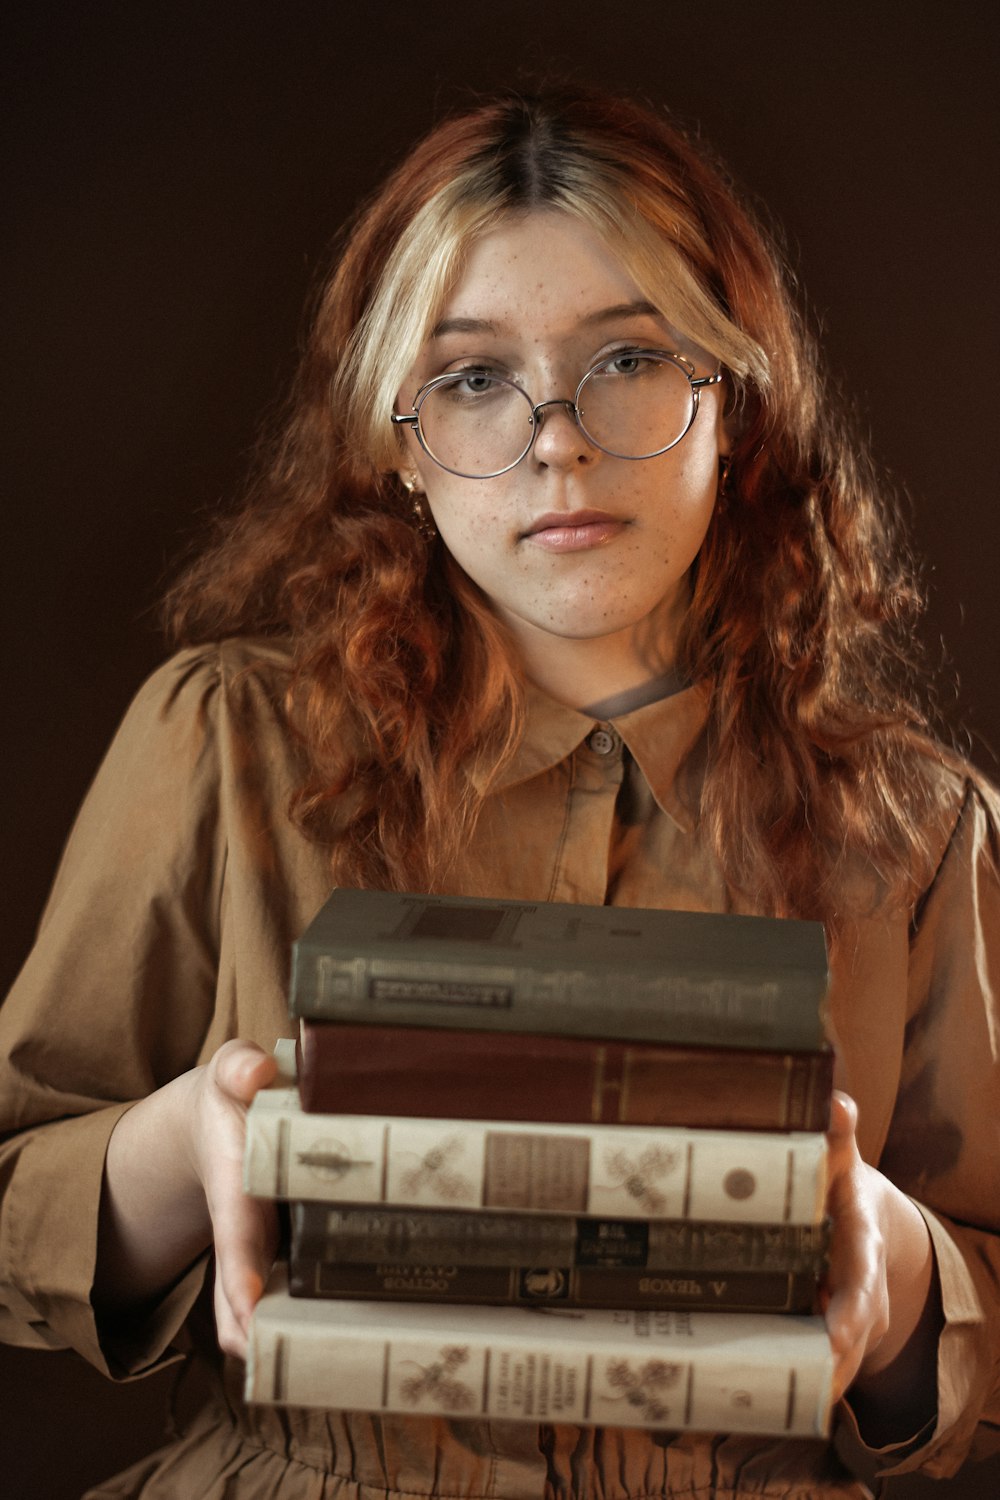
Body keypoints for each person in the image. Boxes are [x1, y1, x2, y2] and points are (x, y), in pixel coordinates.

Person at [1, 86, 997, 1500]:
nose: (557, 441)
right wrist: (183, 1146)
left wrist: (895, 1270)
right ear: (399, 441)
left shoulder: (917, 830)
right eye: (472, 376)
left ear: (740, 406)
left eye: (630, 358)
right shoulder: (220, 741)